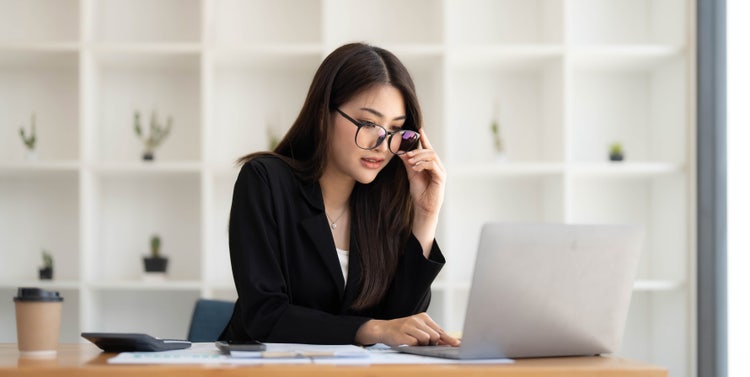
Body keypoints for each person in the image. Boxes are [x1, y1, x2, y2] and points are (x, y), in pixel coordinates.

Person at [219, 43, 460, 348]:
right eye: (368, 123)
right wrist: (372, 330)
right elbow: (264, 316)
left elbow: (400, 325)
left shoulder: (384, 200)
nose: (382, 145)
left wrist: (426, 215)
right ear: (324, 113)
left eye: (395, 130)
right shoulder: (265, 181)